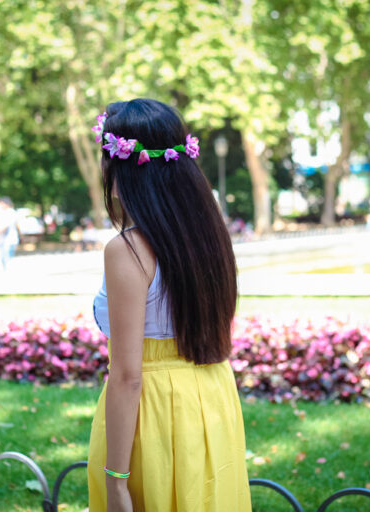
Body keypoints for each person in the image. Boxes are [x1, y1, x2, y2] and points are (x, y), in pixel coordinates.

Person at [88, 99, 251, 511]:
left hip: (156, 416)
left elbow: (127, 376)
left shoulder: (127, 251)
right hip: (213, 401)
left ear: (118, 166)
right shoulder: (210, 238)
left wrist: (116, 482)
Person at [0, 197, 20, 270]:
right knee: (1, 260)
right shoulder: (0, 213)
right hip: (1, 240)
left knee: (7, 260)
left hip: (9, 240)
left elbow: (3, 227)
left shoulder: (11, 212)